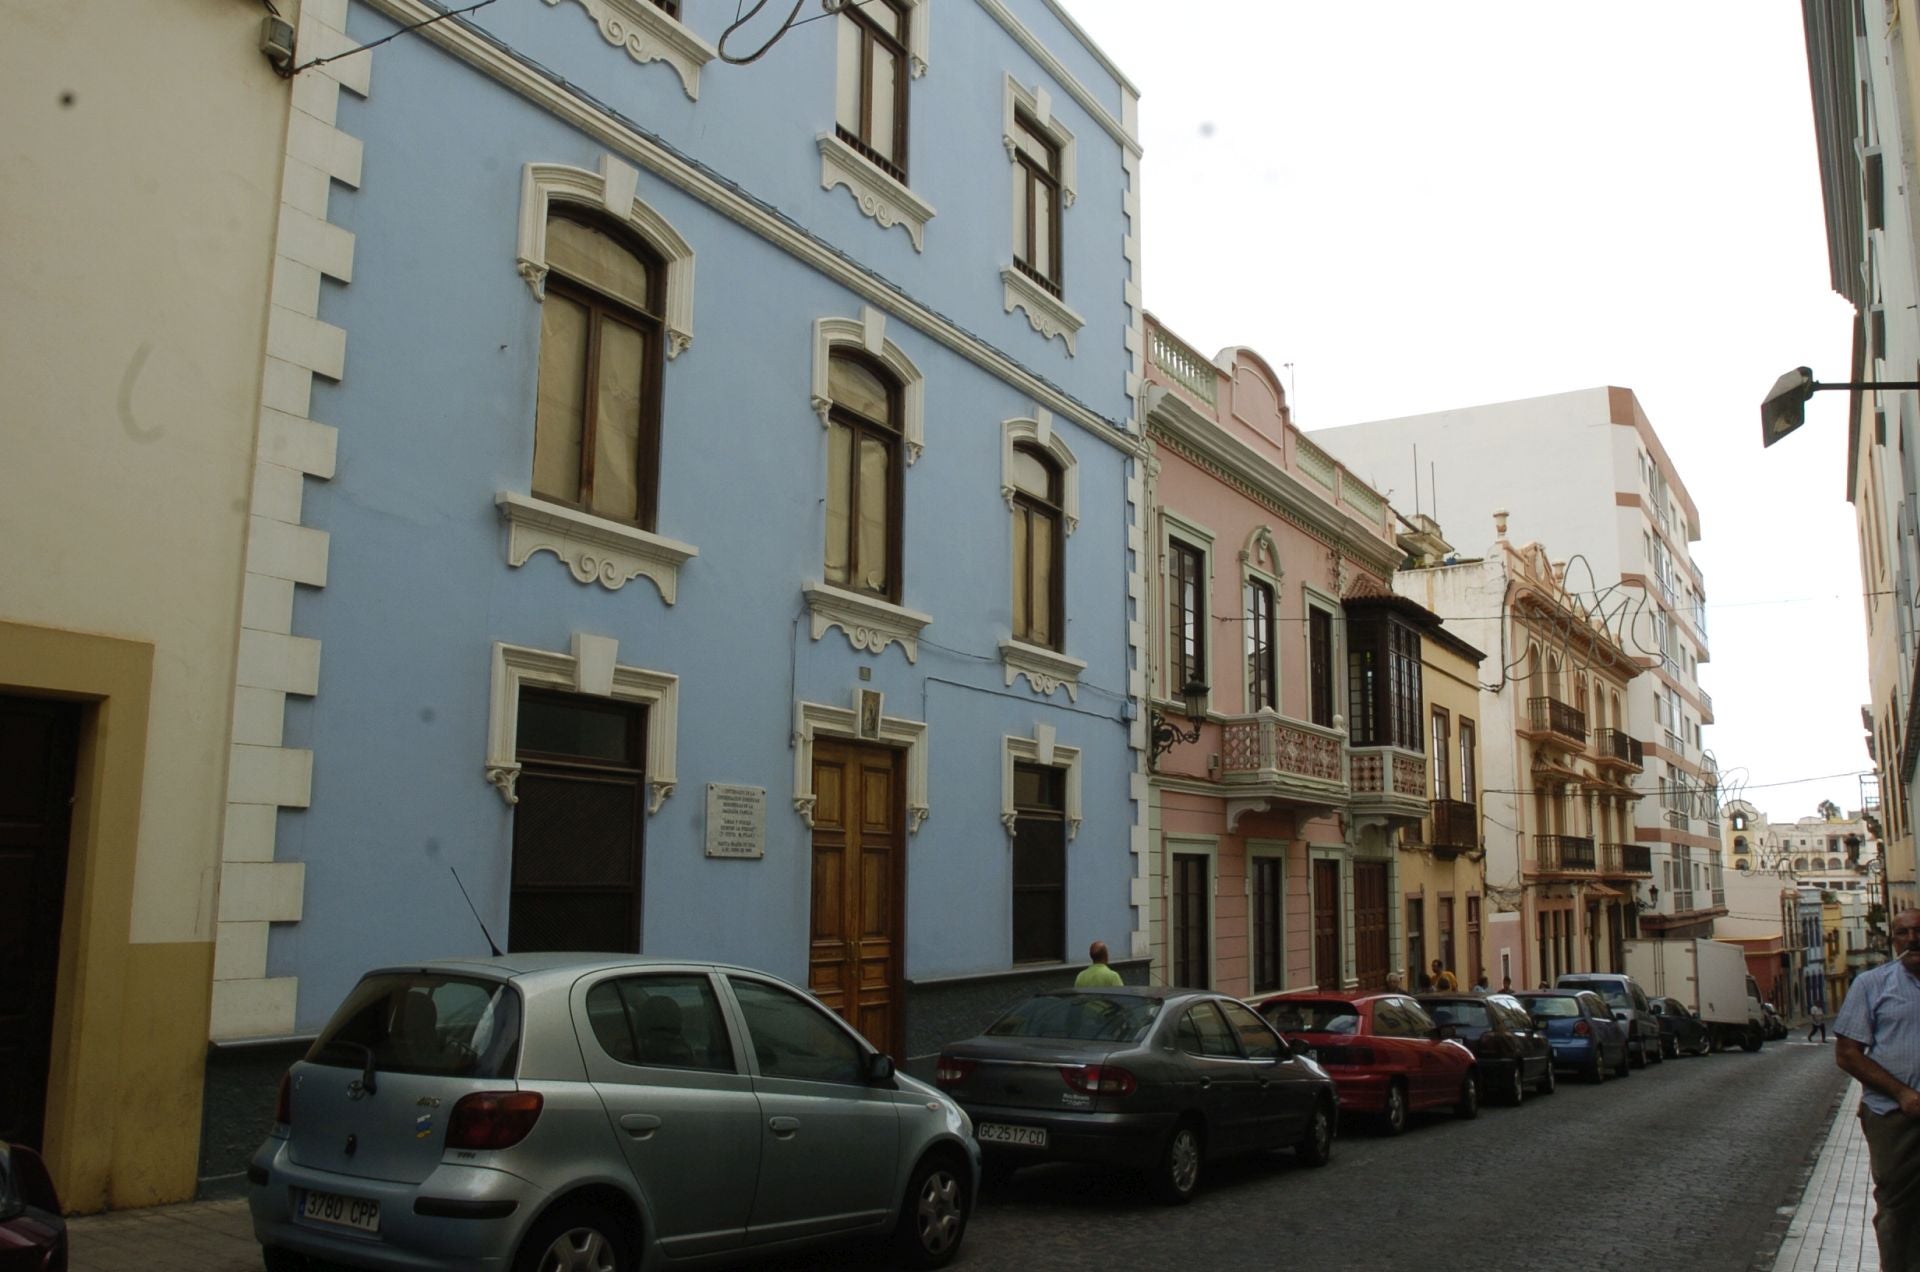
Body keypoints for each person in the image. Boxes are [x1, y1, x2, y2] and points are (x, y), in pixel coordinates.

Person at [1833, 908, 1920, 1272]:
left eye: (1919, 931)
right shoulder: (1871, 985)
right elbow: (1848, 1054)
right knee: (1896, 1208)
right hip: (1893, 1116)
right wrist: (1902, 1093)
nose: (1913, 939)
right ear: (1892, 940)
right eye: (1903, 933)